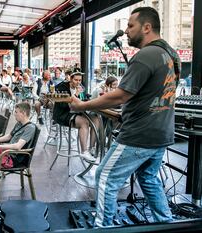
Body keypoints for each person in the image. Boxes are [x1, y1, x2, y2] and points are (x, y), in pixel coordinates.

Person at [70, 7, 179, 227]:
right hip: (161, 132)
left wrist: (83, 104)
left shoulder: (145, 55)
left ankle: (104, 227)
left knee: (105, 178)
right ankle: (166, 224)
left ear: (147, 27)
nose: (126, 31)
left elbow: (120, 95)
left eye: (131, 26)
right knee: (148, 179)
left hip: (139, 134)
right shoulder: (170, 54)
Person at [53, 71, 99, 162]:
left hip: (76, 113)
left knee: (96, 120)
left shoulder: (81, 87)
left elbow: (84, 99)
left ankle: (91, 148)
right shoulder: (61, 87)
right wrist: (76, 94)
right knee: (84, 122)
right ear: (70, 79)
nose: (78, 82)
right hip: (62, 114)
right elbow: (62, 105)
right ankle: (84, 151)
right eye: (76, 80)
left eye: (80, 80)